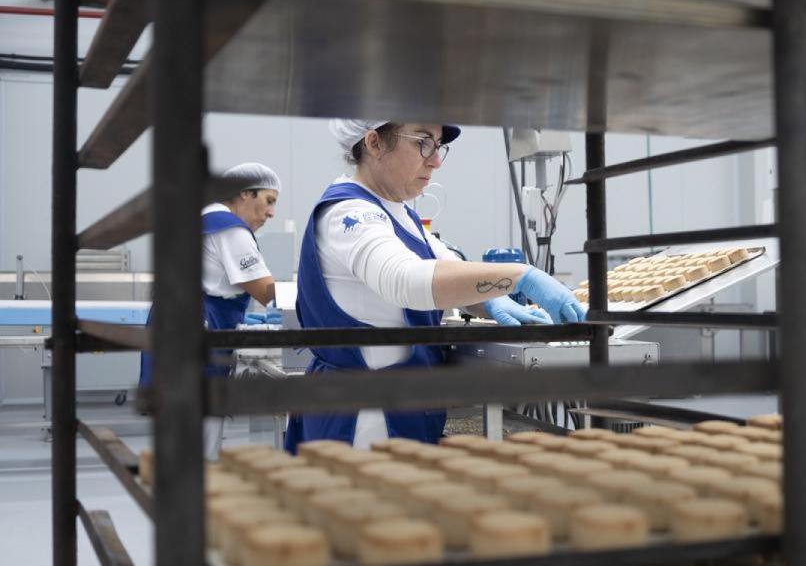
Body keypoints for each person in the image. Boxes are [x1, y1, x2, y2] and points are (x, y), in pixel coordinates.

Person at [284, 120, 585, 451]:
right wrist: (520, 276)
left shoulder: (400, 213)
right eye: (422, 143)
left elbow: (448, 269)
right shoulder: (349, 213)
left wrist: (491, 301)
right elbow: (405, 280)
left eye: (438, 145)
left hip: (401, 406)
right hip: (360, 422)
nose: (435, 160)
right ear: (374, 143)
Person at [139, 162, 280, 459]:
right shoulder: (229, 228)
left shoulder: (201, 217)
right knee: (199, 445)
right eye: (269, 201)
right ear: (244, 193)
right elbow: (267, 293)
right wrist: (306, 301)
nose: (271, 213)